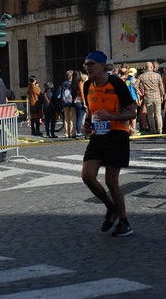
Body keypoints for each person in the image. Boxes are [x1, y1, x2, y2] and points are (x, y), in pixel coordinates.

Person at [81, 51, 137, 237]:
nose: (87, 68)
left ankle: (124, 221)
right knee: (87, 176)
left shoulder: (116, 83)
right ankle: (110, 207)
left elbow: (132, 112)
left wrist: (111, 116)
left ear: (102, 66)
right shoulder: (87, 85)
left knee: (111, 181)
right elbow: (90, 110)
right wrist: (87, 124)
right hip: (98, 136)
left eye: (91, 64)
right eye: (86, 65)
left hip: (117, 135)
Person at [137, 61, 165, 134]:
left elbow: (135, 85)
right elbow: (161, 87)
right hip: (157, 96)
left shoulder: (141, 76)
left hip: (147, 97)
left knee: (150, 114)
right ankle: (160, 129)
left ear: (145, 68)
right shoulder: (158, 76)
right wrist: (162, 95)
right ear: (152, 67)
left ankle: (153, 129)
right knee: (158, 114)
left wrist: (140, 93)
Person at [71, 70, 87, 139]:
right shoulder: (80, 83)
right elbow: (82, 93)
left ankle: (78, 132)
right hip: (80, 102)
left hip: (75, 101)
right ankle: (79, 133)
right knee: (80, 118)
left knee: (77, 118)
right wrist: (84, 102)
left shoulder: (73, 83)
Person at [60, 70, 75, 138]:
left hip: (65, 102)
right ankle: (72, 133)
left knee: (66, 118)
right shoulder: (74, 83)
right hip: (72, 102)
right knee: (72, 118)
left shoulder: (64, 83)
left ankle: (66, 133)